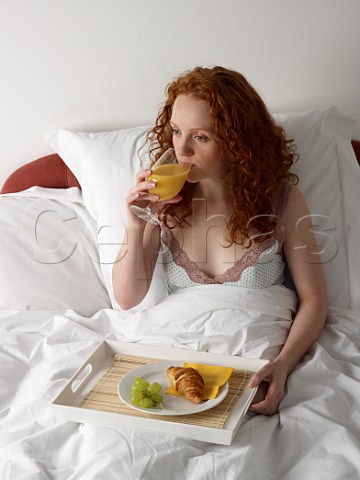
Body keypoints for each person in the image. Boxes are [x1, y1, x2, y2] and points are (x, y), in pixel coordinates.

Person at [112, 66, 328, 415]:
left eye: (201, 137)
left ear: (237, 141)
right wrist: (136, 225)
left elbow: (315, 299)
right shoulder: (163, 201)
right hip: (173, 363)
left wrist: (284, 365)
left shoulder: (283, 201)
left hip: (248, 368)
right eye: (177, 131)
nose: (181, 149)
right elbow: (126, 298)